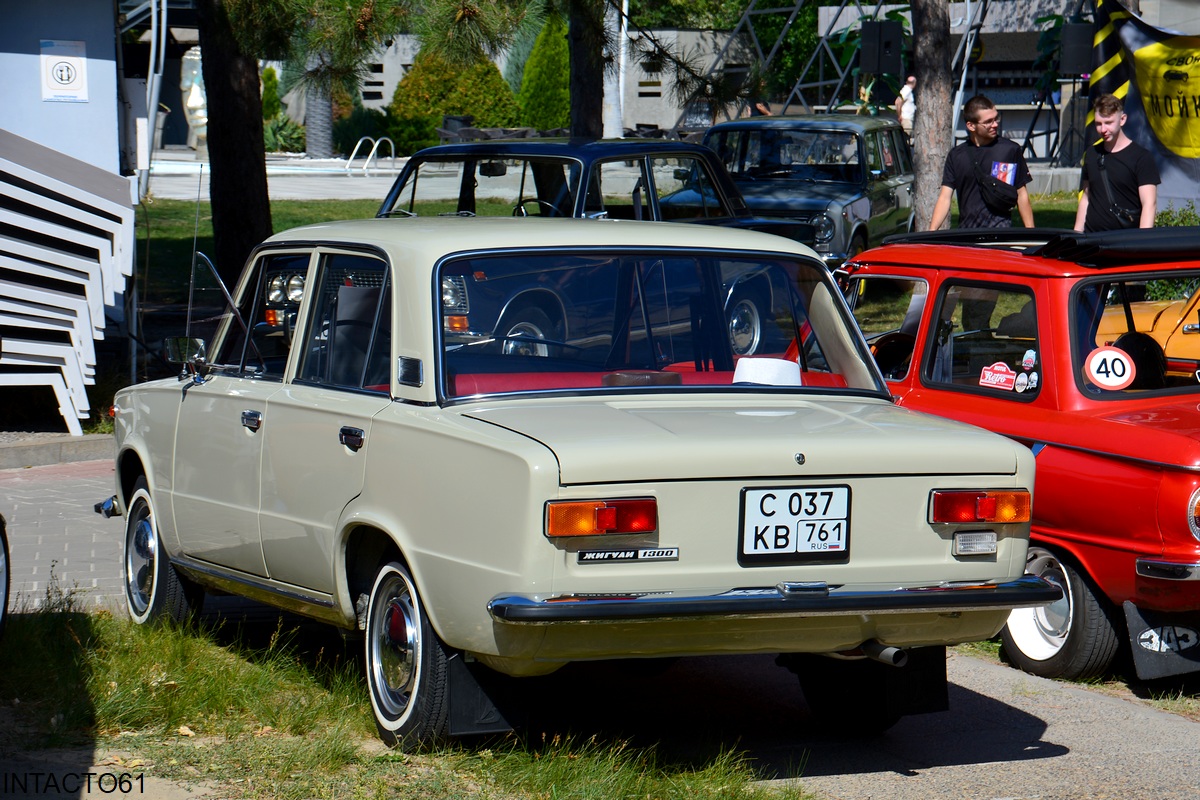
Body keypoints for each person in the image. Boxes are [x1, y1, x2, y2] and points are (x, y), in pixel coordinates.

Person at [929, 95, 1035, 230]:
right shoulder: (956, 155)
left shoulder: (1009, 150)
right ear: (971, 126)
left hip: (1001, 233)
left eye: (996, 118)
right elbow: (945, 197)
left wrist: (1030, 232)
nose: (995, 124)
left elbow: (1021, 194)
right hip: (968, 235)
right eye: (988, 122)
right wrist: (931, 232)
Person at [1074, 93, 1159, 232]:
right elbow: (1086, 197)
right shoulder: (1091, 154)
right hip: (1091, 240)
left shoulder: (1142, 157)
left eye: (1108, 123)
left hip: (1124, 242)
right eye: (1098, 124)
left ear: (1122, 119)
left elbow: (1149, 204)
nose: (1103, 129)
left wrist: (1142, 243)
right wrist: (1076, 235)